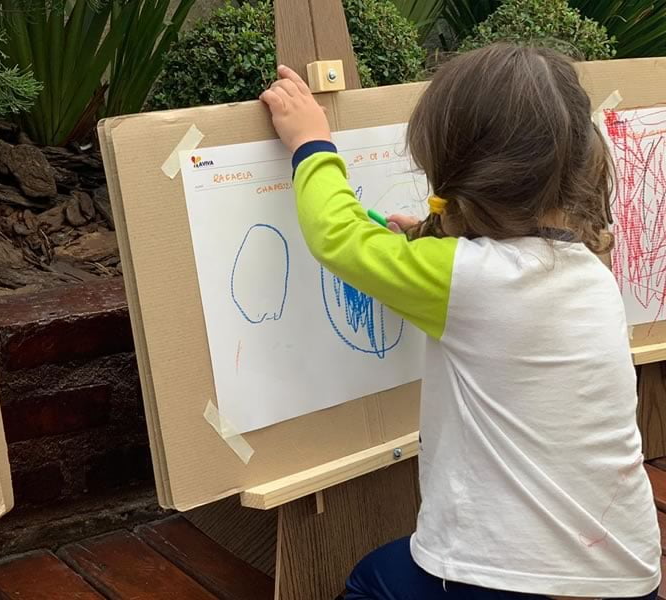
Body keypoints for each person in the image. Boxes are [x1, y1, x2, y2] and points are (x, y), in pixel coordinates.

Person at [259, 43, 661, 600]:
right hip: (626, 570)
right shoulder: (590, 267)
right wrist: (430, 238)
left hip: (507, 582)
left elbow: (339, 236)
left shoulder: (464, 279)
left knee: (370, 582)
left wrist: (310, 142)